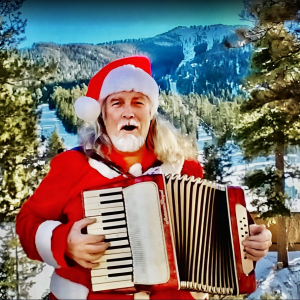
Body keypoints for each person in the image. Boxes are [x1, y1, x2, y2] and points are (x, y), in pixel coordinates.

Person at [16, 56, 272, 300]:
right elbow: (29, 221)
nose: (129, 112)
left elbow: (222, 231)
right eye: (117, 103)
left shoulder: (185, 168)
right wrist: (65, 243)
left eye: (138, 102)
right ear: (102, 116)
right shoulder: (72, 166)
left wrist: (252, 240)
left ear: (151, 112)